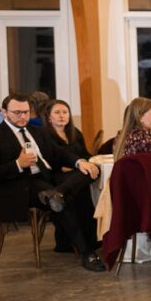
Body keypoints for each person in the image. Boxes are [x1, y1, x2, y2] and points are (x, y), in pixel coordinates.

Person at [0, 93, 105, 271]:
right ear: (4, 112)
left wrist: (79, 162)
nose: (23, 117)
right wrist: (17, 165)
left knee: (91, 171)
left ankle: (58, 192)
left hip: (48, 179)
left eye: (26, 112)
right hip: (21, 184)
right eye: (17, 113)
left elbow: (59, 153)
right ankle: (87, 252)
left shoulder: (37, 131)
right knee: (63, 202)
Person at [43, 99, 97, 253]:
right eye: (57, 112)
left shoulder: (74, 132)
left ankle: (89, 241)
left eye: (65, 112)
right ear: (49, 117)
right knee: (78, 192)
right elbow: (47, 161)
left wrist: (91, 162)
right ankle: (72, 242)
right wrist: (69, 166)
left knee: (88, 185)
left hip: (76, 175)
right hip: (57, 176)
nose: (62, 116)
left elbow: (85, 154)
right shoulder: (45, 135)